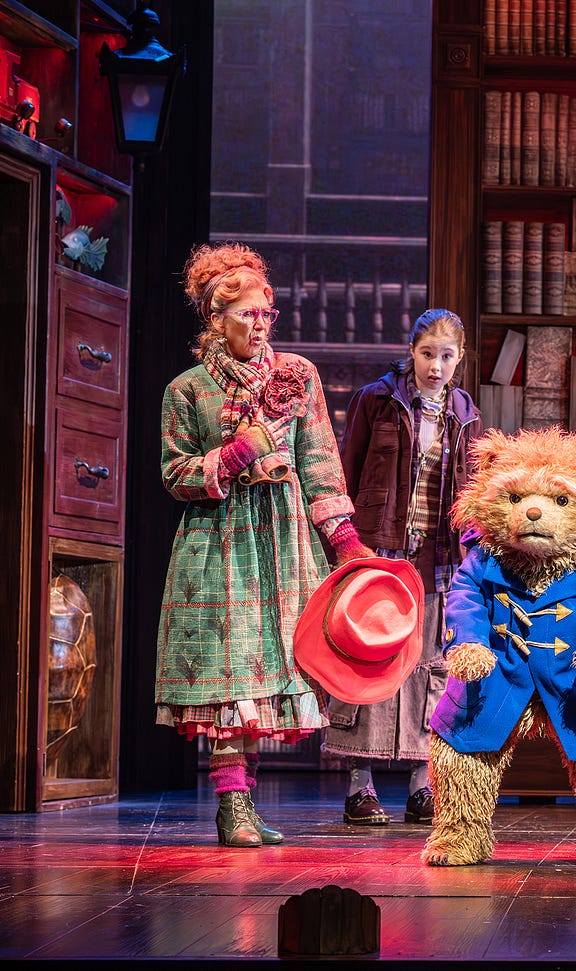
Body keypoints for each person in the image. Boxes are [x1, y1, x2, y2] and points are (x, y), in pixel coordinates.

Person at [156, 242, 373, 848]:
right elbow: (174, 474)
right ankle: (232, 806)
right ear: (216, 319)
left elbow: (320, 464)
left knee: (272, 670)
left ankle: (246, 804)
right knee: (230, 675)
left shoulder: (296, 375)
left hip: (283, 537)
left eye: (265, 313)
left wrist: (345, 542)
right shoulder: (188, 389)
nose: (259, 325)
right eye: (246, 314)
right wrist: (235, 455)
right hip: (219, 541)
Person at [326, 308, 481, 826]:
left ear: (459, 359)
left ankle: (422, 783)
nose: (435, 366)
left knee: (431, 665)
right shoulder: (378, 399)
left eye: (446, 356)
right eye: (427, 354)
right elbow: (347, 471)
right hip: (382, 550)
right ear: (411, 352)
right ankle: (360, 784)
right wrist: (346, 543)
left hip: (438, 559)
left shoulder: (465, 413)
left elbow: (473, 491)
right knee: (371, 658)